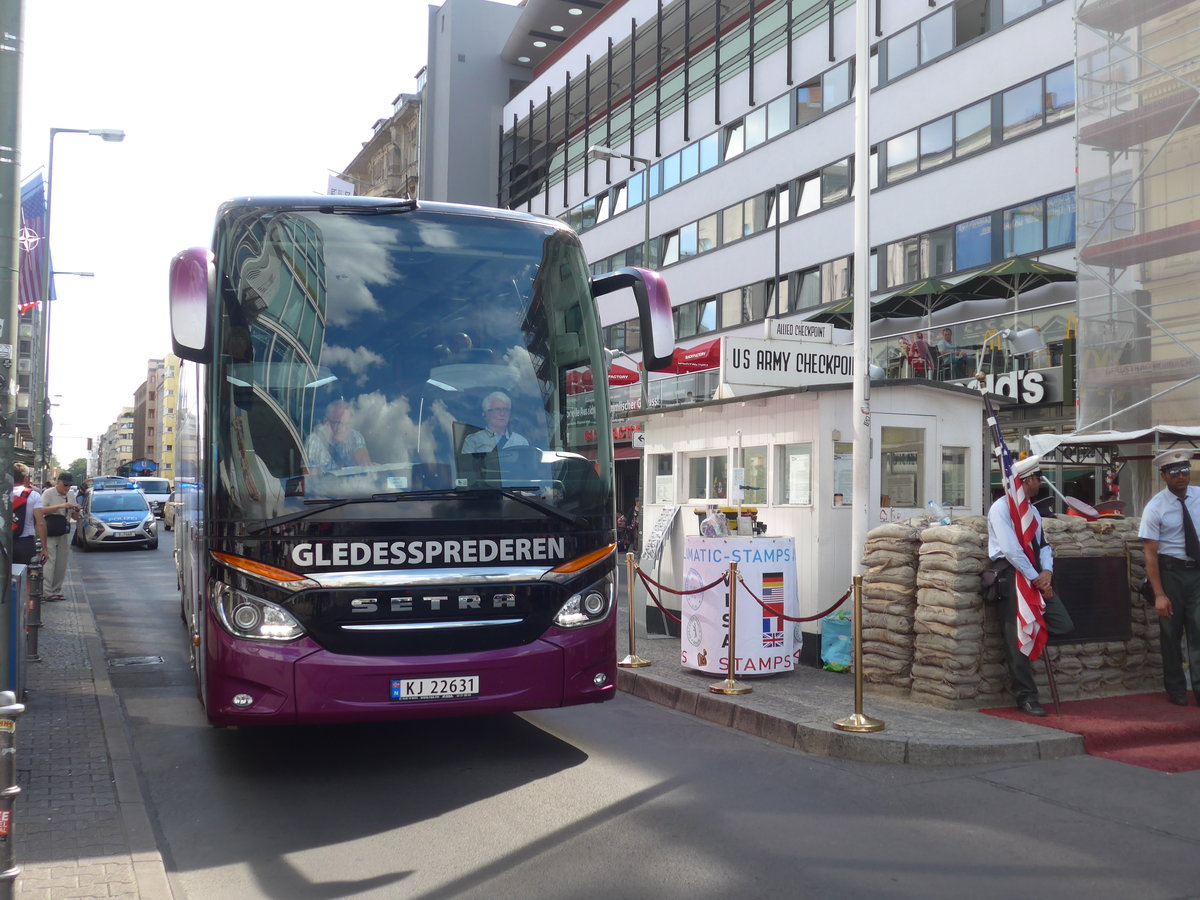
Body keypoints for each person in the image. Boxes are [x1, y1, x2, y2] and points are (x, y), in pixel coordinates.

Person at [986, 455, 1074, 717]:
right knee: (1017, 641)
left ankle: (1036, 635)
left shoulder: (1032, 512)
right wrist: (1035, 576)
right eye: (1036, 479)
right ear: (1026, 481)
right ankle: (1026, 696)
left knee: (1063, 623)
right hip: (1013, 575)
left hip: (1036, 575)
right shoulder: (1001, 509)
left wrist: (1046, 572)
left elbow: (1043, 545)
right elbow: (1012, 549)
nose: (1039, 484)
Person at [1138, 449, 1200, 707]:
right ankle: (1176, 689)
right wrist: (1160, 594)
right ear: (1163, 476)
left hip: (1197, 573)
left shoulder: (1199, 496)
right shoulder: (1155, 507)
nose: (1181, 476)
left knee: (1198, 633)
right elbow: (1150, 554)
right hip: (1170, 573)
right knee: (1171, 635)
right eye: (1174, 472)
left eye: (1185, 470)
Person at [37, 473, 79, 602]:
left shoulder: (71, 495)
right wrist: (60, 506)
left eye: (69, 485)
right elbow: (41, 510)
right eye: (65, 485)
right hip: (50, 530)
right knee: (50, 562)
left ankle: (56, 590)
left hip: (63, 531)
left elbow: (74, 518)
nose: (67, 487)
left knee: (61, 563)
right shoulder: (49, 493)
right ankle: (46, 592)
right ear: (58, 482)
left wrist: (76, 510)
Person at [303, 399, 372, 474]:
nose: (342, 428)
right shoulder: (314, 441)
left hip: (352, 484)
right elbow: (311, 479)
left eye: (347, 424)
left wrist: (366, 464)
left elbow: (363, 457)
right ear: (326, 421)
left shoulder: (355, 436)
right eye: (338, 423)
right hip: (325, 485)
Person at [461, 391, 529, 453]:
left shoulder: (521, 442)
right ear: (486, 413)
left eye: (505, 410)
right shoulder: (473, 441)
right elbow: (467, 465)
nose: (502, 413)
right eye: (497, 409)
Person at [11, 463, 46, 568]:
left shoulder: (3, 493)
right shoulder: (33, 495)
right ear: (26, 478)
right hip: (25, 542)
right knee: (28, 577)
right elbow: (40, 523)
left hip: (4, 541)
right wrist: (44, 548)